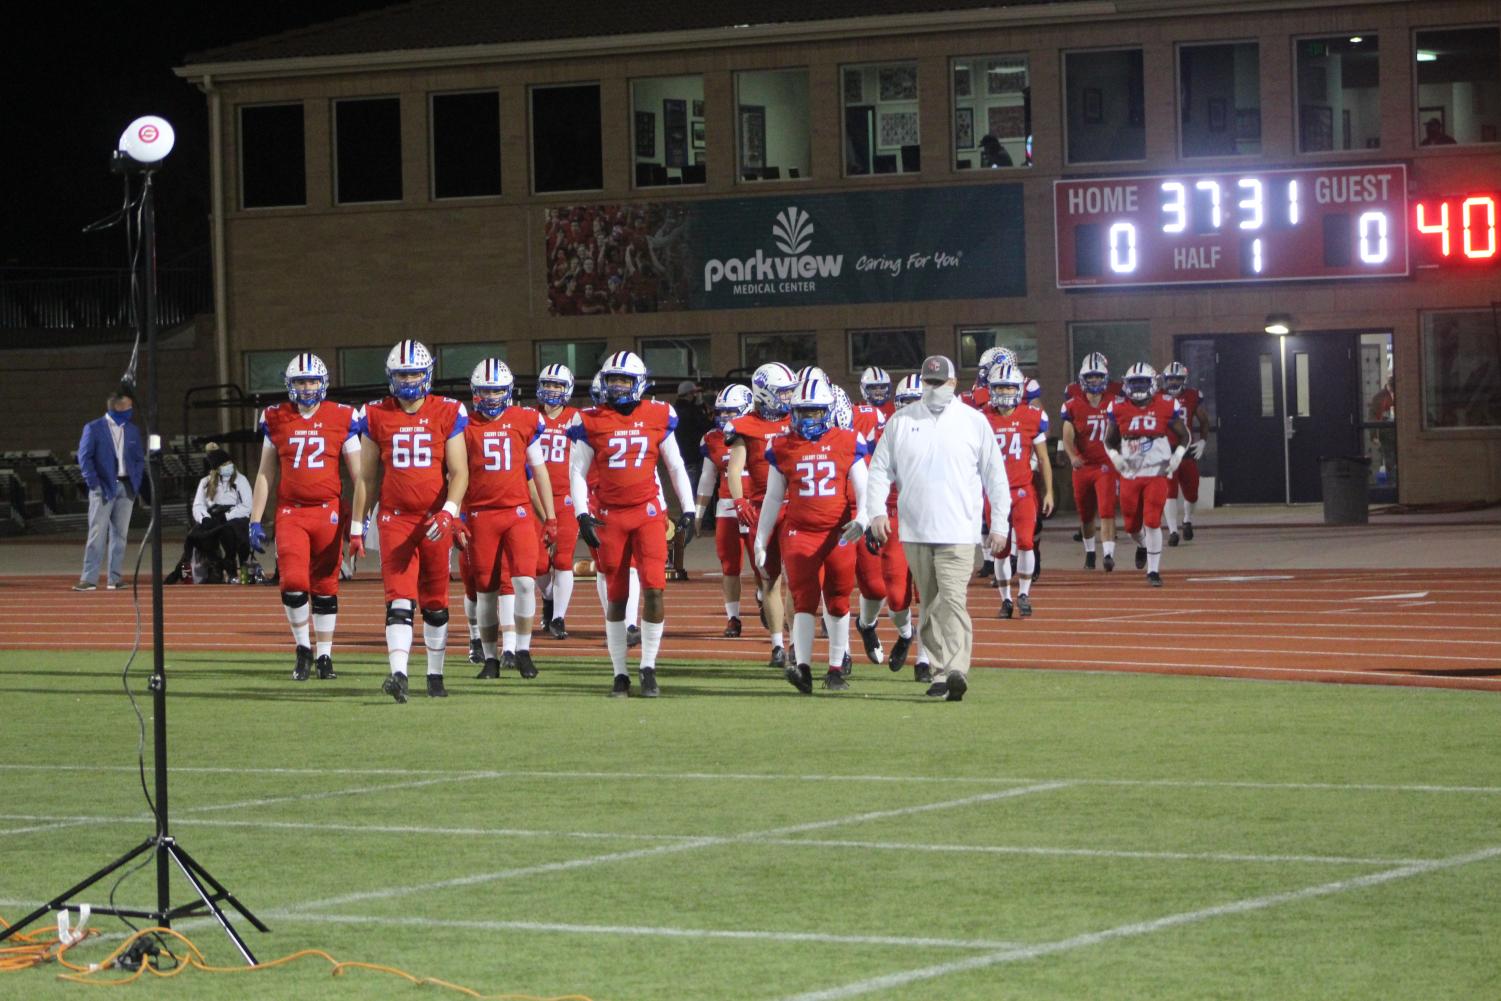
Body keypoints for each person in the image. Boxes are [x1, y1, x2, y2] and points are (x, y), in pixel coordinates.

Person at [862, 355, 1010, 702]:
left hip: (959, 530)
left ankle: (956, 669)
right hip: (915, 530)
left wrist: (999, 523)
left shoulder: (974, 422)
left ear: (953, 383)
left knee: (953, 600)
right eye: (929, 382)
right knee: (929, 605)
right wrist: (876, 512)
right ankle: (941, 670)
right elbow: (880, 470)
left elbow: (995, 477)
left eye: (939, 382)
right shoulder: (901, 421)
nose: (933, 388)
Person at [567, 351, 697, 698]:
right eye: (613, 380)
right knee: (617, 595)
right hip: (610, 515)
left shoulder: (658, 414)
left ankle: (649, 667)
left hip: (648, 512)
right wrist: (581, 513)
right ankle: (620, 673)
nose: (619, 386)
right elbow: (577, 472)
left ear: (640, 382)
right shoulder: (591, 420)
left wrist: (688, 508)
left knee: (655, 589)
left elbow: (675, 465)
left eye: (625, 380)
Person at [351, 339, 469, 703]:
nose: (408, 379)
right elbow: (367, 478)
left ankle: (435, 674)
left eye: (415, 372)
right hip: (395, 519)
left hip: (434, 519)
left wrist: (450, 511)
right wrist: (357, 526)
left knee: (434, 602)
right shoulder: (376, 414)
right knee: (399, 599)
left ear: (427, 374)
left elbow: (460, 472)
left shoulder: (447, 411)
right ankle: (398, 675)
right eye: (402, 373)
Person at [248, 353, 361, 680]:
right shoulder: (276, 417)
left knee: (326, 586)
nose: (307, 387)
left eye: (312, 380)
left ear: (323, 382)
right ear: (290, 384)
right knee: (294, 582)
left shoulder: (342, 417)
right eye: (300, 381)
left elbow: (359, 475)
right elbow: (265, 473)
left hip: (328, 510)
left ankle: (325, 656)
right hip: (291, 512)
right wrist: (255, 518)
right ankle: (302, 648)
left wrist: (359, 520)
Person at [755, 377, 871, 693]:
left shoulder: (848, 439)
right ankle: (803, 667)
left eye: (815, 412)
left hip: (839, 532)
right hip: (799, 530)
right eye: (803, 412)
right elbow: (773, 497)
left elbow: (865, 489)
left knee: (838, 597)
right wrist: (761, 536)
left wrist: (862, 518)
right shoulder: (781, 445)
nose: (808, 419)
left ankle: (836, 667)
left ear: (828, 411)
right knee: (804, 597)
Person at [464, 360, 555, 683]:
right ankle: (490, 657)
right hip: (481, 515)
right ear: (476, 393)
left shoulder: (525, 420)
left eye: (497, 391)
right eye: (486, 391)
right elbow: (455, 475)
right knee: (486, 591)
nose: (491, 397)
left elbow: (538, 471)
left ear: (508, 391)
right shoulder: (464, 425)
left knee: (525, 582)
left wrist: (551, 515)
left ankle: (523, 650)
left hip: (517, 512)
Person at [726, 361, 798, 668]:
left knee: (797, 581)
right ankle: (778, 645)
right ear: (765, 393)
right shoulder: (744, 425)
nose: (789, 398)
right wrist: (740, 502)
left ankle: (796, 642)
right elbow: (734, 467)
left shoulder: (797, 418)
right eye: (783, 392)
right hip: (761, 509)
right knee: (770, 581)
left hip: (794, 508)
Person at [1104, 363, 1189, 587]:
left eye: (1143, 382)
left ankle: (1153, 571)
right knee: (1131, 525)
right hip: (1130, 473)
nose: (1139, 387)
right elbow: (1109, 440)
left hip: (1156, 472)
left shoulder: (1166, 404)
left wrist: (1177, 456)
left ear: (1153, 383)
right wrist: (1115, 458)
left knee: (1152, 520)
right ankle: (1142, 545)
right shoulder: (1118, 407)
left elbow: (1184, 436)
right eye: (1134, 383)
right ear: (1126, 384)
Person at [983, 365, 1053, 618]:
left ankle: (1024, 593)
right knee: (999, 549)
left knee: (1025, 542)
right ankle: (1005, 599)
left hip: (1023, 490)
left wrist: (1049, 492)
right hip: (994, 494)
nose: (1004, 391)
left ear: (1019, 389)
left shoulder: (1031, 416)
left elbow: (1043, 458)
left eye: (1009, 386)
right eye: (999, 386)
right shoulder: (982, 418)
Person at [695, 384, 755, 637]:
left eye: (731, 412)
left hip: (756, 505)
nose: (725, 417)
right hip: (727, 507)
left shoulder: (759, 432)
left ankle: (765, 597)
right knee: (730, 566)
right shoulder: (712, 438)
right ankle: (733, 618)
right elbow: (708, 477)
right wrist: (698, 512)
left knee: (762, 564)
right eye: (722, 412)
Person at [75, 386, 146, 591]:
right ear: (118, 406)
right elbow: (84, 457)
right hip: (104, 487)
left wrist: (136, 480)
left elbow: (138, 458)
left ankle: (114, 578)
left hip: (126, 487)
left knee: (120, 535)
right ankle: (89, 578)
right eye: (128, 406)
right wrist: (94, 483)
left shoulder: (131, 429)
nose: (131, 410)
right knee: (97, 533)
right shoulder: (94, 428)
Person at [1060, 352, 1121, 571]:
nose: (1094, 380)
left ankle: (1108, 554)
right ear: (1083, 378)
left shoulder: (1115, 402)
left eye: (1098, 376)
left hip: (1105, 464)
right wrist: (1072, 456)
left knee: (1106, 509)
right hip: (1083, 466)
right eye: (1091, 376)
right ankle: (1089, 553)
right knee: (1086, 513)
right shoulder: (1072, 405)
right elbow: (1067, 436)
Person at [533, 363, 581, 639]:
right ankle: (549, 597)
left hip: (565, 497)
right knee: (537, 564)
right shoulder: (529, 417)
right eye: (547, 384)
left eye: (557, 385)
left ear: (567, 389)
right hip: (535, 498)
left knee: (563, 559)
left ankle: (559, 619)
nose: (551, 390)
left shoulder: (577, 418)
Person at [851, 369, 890, 665]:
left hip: (862, 509)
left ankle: (866, 624)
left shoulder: (878, 418)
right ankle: (839, 659)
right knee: (831, 586)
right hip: (827, 514)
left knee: (876, 586)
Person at [1159, 361, 1209, 544]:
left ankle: (1187, 519)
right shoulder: (1157, 397)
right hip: (1166, 451)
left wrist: (1203, 440)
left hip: (1186, 449)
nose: (1173, 382)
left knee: (1192, 492)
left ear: (1184, 380)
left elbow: (1204, 420)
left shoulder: (1192, 395)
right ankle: (1173, 531)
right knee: (1169, 492)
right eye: (1170, 378)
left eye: (1177, 378)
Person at [187, 447, 254, 581]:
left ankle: (241, 567)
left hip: (235, 516)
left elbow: (247, 506)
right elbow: (198, 505)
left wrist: (227, 516)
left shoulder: (240, 480)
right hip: (214, 515)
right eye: (224, 465)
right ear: (216, 468)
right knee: (195, 536)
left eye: (229, 463)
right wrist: (204, 518)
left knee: (231, 532)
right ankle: (216, 565)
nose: (228, 467)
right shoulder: (205, 483)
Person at [672, 380, 712, 488]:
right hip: (694, 458)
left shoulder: (674, 410)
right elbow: (707, 426)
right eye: (694, 393)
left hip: (681, 457)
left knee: (686, 490)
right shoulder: (691, 411)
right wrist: (702, 409)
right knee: (697, 489)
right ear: (689, 394)